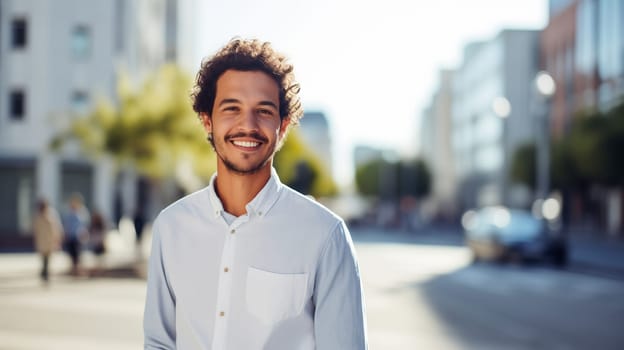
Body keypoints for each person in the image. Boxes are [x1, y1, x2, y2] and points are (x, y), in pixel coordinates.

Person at [144, 38, 367, 349]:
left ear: (283, 125)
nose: (247, 125)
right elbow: (159, 342)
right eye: (231, 108)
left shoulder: (326, 236)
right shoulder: (171, 227)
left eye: (263, 111)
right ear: (207, 120)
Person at [33, 198, 63, 282]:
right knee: (43, 258)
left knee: (48, 258)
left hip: (50, 240)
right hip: (42, 241)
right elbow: (36, 229)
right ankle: (44, 272)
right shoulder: (38, 216)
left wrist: (57, 239)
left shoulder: (51, 215)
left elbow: (57, 228)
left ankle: (45, 273)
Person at [62, 193, 90, 276]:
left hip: (78, 237)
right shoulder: (69, 213)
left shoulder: (82, 212)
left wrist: (85, 234)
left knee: (78, 254)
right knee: (72, 253)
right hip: (71, 236)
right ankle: (73, 269)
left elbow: (85, 224)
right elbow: (66, 224)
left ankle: (77, 270)